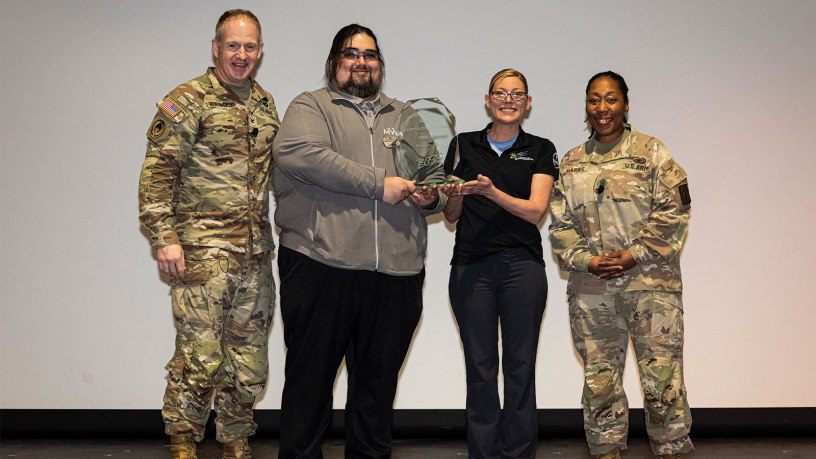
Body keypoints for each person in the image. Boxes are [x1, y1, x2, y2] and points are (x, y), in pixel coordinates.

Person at [271, 24, 445, 459]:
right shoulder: (310, 106)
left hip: (396, 274)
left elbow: (435, 178)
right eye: (351, 53)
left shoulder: (406, 116)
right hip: (320, 265)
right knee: (309, 388)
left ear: (380, 66)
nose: (362, 61)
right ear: (334, 62)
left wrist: (431, 196)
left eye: (370, 55)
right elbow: (303, 154)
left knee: (376, 392)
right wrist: (379, 183)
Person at [138, 9, 279, 459]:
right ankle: (183, 439)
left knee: (249, 357)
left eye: (250, 46)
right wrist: (164, 237)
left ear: (260, 51)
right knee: (199, 356)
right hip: (202, 253)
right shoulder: (188, 99)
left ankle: (236, 437)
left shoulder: (264, 102)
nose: (241, 55)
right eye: (232, 45)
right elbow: (158, 173)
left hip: (256, 254)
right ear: (216, 47)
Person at [548, 71, 694, 459]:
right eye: (594, 100)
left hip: (650, 285)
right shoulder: (572, 162)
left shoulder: (652, 152)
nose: (602, 108)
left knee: (662, 378)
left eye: (611, 100)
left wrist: (635, 253)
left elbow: (675, 211)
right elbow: (561, 226)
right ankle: (605, 448)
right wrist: (587, 260)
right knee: (600, 380)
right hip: (592, 290)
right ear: (586, 106)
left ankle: (671, 448)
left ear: (625, 105)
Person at [440, 69, 558, 459]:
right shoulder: (462, 145)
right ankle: (484, 453)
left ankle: (520, 452)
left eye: (517, 94)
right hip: (471, 267)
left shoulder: (540, 148)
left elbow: (535, 211)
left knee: (520, 366)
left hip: (521, 268)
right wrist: (453, 194)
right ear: (488, 100)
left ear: (527, 103)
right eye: (500, 93)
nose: (508, 100)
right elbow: (452, 216)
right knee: (481, 366)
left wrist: (490, 191)